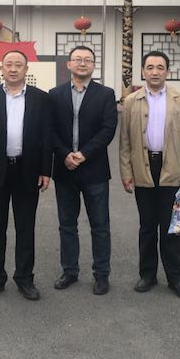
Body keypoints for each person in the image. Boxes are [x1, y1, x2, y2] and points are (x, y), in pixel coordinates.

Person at [0, 50, 53, 301]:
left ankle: (25, 278)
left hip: (27, 171)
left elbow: (46, 136)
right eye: (9, 64)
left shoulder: (40, 98)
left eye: (19, 65)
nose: (14, 69)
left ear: (26, 69)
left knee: (25, 228)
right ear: (2, 68)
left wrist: (45, 170)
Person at [119, 50, 180, 299]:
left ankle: (176, 278)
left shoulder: (179, 100)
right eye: (150, 67)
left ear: (167, 72)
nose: (155, 72)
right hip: (143, 167)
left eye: (160, 67)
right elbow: (125, 143)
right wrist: (126, 173)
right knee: (147, 226)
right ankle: (147, 275)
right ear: (143, 71)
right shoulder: (131, 101)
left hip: (171, 168)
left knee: (171, 228)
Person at [49, 46, 118, 295]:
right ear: (68, 64)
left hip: (94, 169)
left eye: (87, 60)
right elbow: (50, 129)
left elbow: (108, 129)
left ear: (93, 65)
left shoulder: (106, 94)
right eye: (77, 59)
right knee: (67, 224)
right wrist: (64, 154)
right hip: (64, 168)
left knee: (100, 225)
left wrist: (84, 153)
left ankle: (101, 274)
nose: (82, 63)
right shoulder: (54, 94)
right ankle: (69, 271)